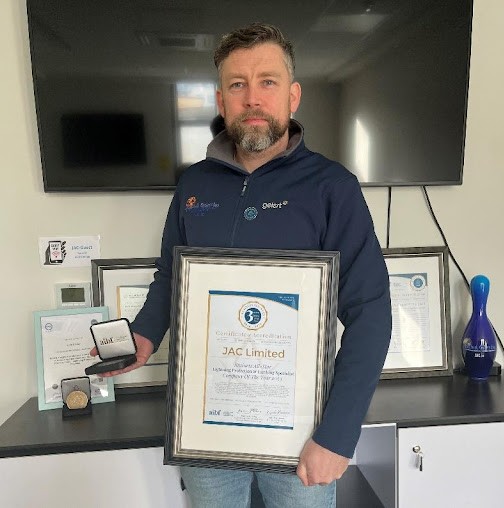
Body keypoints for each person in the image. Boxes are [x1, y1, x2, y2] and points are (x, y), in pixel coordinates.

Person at [94, 23, 391, 508]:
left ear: (292, 96)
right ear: (221, 100)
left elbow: (371, 314)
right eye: (237, 85)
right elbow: (172, 275)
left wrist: (338, 435)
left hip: (301, 431)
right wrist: (144, 336)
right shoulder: (194, 184)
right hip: (206, 425)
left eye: (267, 82)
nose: (252, 97)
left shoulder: (333, 188)